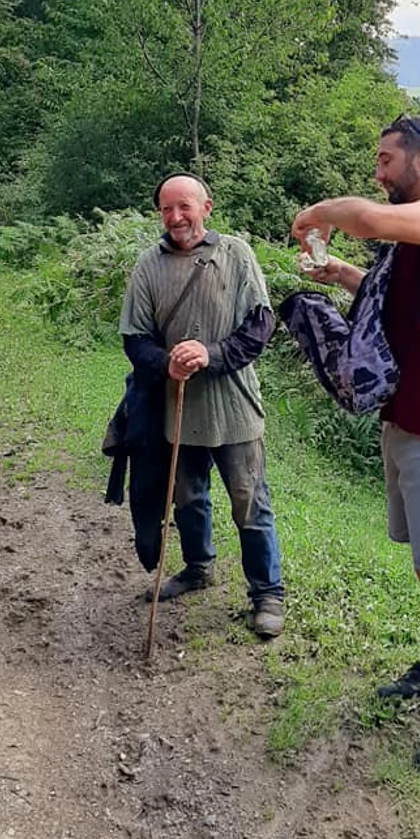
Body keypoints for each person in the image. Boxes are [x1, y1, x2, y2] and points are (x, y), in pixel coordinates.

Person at [291, 115, 420, 765]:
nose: (377, 174)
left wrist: (317, 213)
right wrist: (344, 275)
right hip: (408, 414)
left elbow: (370, 218)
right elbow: (399, 303)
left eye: (386, 160)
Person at [119, 173, 285, 638]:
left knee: (250, 502)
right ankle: (198, 567)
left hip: (235, 408)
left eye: (184, 206)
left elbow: (260, 326)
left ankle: (267, 593)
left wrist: (211, 355)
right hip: (177, 410)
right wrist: (165, 364)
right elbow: (134, 338)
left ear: (206, 207)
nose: (176, 217)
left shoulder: (236, 254)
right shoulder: (148, 266)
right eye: (167, 209)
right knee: (188, 497)